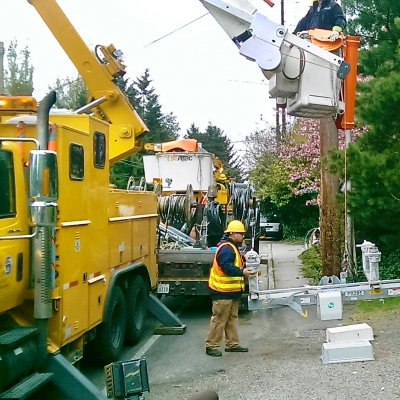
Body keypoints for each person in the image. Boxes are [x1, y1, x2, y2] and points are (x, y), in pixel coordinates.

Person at [205, 220, 255, 357]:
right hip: (222, 292)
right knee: (219, 320)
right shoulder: (227, 248)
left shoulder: (231, 246)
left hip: (230, 292)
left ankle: (232, 344)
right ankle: (211, 345)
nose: (243, 236)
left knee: (231, 319)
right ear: (233, 233)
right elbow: (226, 267)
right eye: (241, 233)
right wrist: (242, 272)